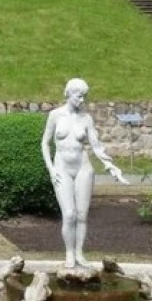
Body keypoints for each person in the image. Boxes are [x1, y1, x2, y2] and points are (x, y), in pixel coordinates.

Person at [40, 78, 128, 269]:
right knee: (69, 214)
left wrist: (111, 166)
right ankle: (69, 253)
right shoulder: (55, 115)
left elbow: (96, 147)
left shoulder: (86, 119)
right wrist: (51, 168)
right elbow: (45, 143)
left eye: (84, 97)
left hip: (83, 168)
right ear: (69, 94)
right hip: (61, 168)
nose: (82, 100)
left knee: (81, 215)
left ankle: (79, 252)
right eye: (79, 96)